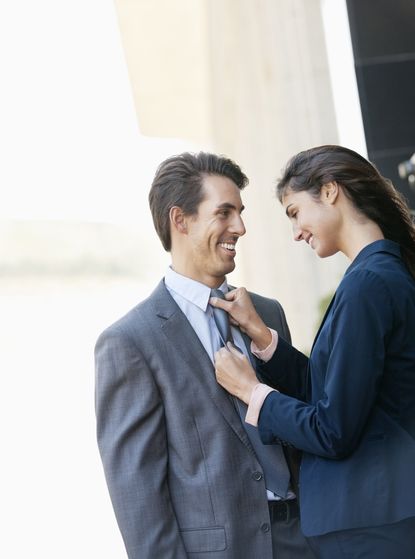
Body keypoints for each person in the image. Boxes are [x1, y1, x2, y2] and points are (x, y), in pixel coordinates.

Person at [95, 152, 316, 559]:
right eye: (225, 213)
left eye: (241, 212)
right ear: (180, 220)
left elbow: (305, 423)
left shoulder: (268, 314)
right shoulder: (130, 343)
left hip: (303, 539)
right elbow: (139, 494)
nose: (241, 227)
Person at [212, 144, 415, 558]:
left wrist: (253, 393)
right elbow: (335, 393)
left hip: (370, 524)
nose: (296, 232)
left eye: (294, 213)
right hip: (377, 518)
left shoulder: (368, 285)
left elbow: (332, 429)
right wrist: (263, 338)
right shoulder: (378, 274)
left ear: (329, 191)